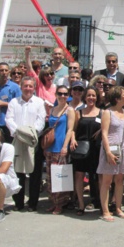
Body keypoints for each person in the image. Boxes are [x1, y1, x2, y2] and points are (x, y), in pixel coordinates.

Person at [5, 76, 46, 212]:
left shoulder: (39, 102)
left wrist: (30, 133)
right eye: (25, 86)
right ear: (21, 87)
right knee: (18, 172)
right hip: (18, 140)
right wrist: (19, 133)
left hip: (33, 141)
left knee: (34, 173)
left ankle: (33, 203)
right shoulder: (13, 102)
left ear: (34, 88)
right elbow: (9, 119)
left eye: (30, 86)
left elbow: (40, 121)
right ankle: (19, 202)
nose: (28, 88)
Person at [98, 86, 124, 221]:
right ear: (117, 98)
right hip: (111, 148)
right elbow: (104, 133)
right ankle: (105, 211)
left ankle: (118, 207)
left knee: (120, 180)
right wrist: (108, 151)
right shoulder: (107, 112)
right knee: (107, 181)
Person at [70, 86, 103, 216]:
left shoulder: (102, 112)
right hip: (81, 147)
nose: (91, 98)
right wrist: (73, 140)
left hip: (96, 148)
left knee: (98, 176)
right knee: (79, 175)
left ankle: (100, 202)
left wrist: (100, 131)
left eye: (93, 95)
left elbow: (107, 128)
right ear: (85, 97)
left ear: (97, 97)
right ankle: (81, 204)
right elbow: (72, 129)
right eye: (89, 95)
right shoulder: (79, 113)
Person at [44, 85, 75, 215]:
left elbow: (70, 129)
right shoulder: (52, 109)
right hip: (50, 146)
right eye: (60, 94)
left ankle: (60, 204)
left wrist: (65, 146)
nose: (63, 96)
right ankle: (54, 201)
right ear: (56, 94)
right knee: (50, 176)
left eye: (65, 94)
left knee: (60, 176)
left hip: (60, 147)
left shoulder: (70, 110)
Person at [0, 62, 21, 142]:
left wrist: (5, 104)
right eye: (1, 70)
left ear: (9, 72)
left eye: (6, 70)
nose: (4, 73)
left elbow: (20, 105)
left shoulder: (15, 87)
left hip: (9, 124)